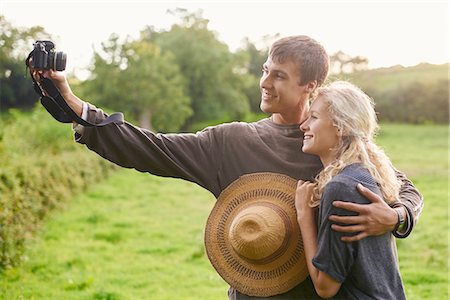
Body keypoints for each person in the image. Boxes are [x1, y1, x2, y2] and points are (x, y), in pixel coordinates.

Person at [32, 35, 423, 299]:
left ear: (311, 86)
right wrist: (74, 106)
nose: (265, 82)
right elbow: (151, 148)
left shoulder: (337, 145)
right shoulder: (232, 142)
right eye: (265, 70)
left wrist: (397, 217)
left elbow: (404, 189)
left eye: (279, 75)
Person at [295, 81, 407, 299]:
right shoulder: (368, 174)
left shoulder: (341, 187)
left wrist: (304, 215)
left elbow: (325, 287)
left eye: (314, 117)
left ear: (342, 127)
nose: (303, 125)